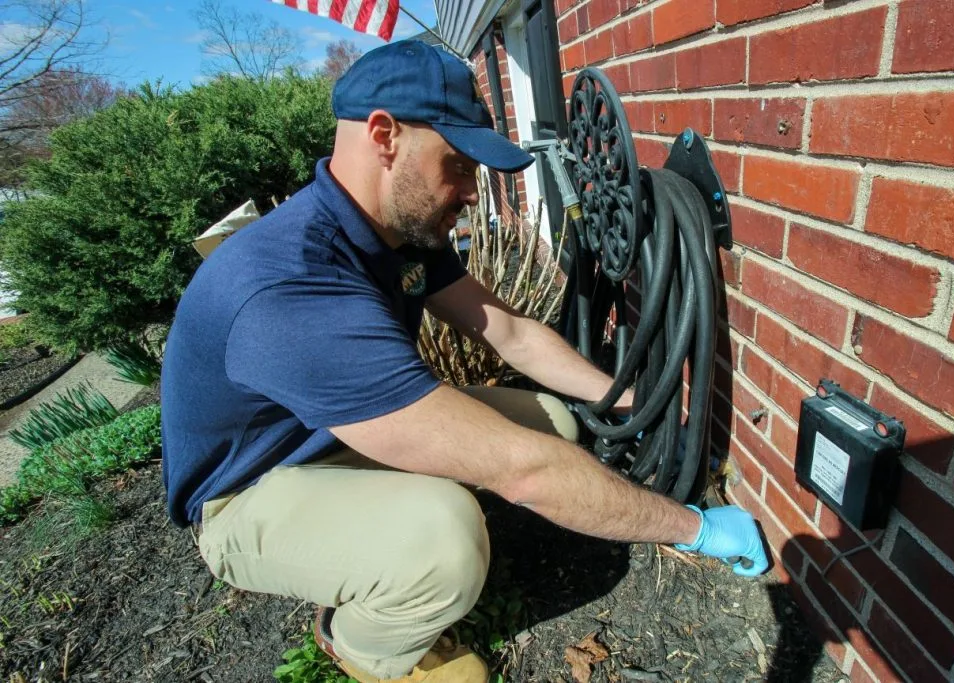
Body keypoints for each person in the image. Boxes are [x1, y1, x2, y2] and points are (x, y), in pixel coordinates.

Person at [160, 40, 768, 683]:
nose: (473, 192)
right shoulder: (292, 286)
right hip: (250, 492)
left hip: (327, 432)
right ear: (384, 135)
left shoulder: (394, 232)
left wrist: (626, 401)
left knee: (551, 423)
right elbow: (522, 472)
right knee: (444, 540)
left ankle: (385, 549)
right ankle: (360, 640)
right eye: (458, 163)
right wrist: (694, 528)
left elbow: (510, 333)